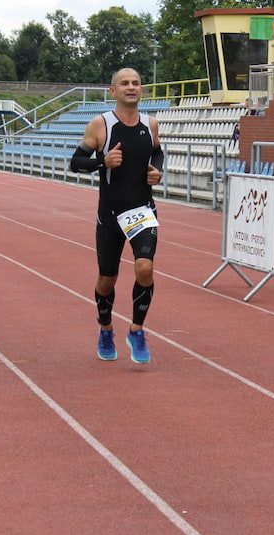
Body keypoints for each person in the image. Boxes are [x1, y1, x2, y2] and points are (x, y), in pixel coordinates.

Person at [69, 68, 164, 363]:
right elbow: (76, 162)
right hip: (110, 215)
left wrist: (157, 170)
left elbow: (158, 152)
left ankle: (136, 330)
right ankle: (106, 329)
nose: (131, 87)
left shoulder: (151, 124)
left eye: (136, 83)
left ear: (142, 90)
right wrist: (103, 161)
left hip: (142, 211)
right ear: (113, 91)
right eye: (125, 83)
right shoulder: (101, 125)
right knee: (106, 279)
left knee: (145, 268)